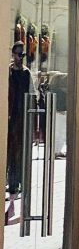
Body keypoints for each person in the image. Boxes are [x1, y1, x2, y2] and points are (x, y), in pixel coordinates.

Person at [7, 42, 30, 195]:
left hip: (21, 117)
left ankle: (16, 183)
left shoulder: (26, 73)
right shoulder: (8, 72)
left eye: (22, 55)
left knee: (18, 151)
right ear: (13, 54)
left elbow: (30, 94)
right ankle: (10, 182)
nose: (19, 57)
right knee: (9, 150)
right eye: (18, 54)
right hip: (10, 115)